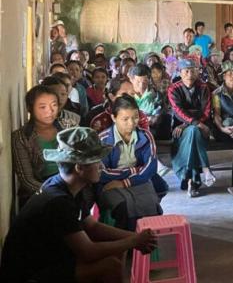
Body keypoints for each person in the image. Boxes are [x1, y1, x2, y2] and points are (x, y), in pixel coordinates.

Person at [0, 127, 157, 283]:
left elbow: (92, 226)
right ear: (79, 167)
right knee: (110, 266)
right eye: (96, 162)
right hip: (29, 275)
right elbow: (88, 252)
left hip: (48, 259)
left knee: (116, 250)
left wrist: (134, 237)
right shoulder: (58, 202)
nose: (101, 167)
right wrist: (134, 242)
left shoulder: (67, 185)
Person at [97, 95, 167, 230]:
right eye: (125, 119)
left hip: (137, 181)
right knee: (124, 207)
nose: (131, 123)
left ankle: (147, 240)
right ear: (114, 118)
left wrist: (125, 182)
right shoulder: (103, 139)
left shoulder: (145, 136)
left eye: (135, 117)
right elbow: (102, 172)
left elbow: (150, 168)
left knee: (151, 204)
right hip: (109, 184)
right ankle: (128, 241)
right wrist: (135, 170)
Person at [167, 58, 215, 197]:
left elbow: (206, 112)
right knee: (194, 131)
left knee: (194, 132)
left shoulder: (204, 87)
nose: (189, 74)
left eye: (193, 71)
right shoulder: (173, 89)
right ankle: (203, 171)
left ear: (197, 72)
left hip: (201, 127)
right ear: (180, 72)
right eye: (186, 71)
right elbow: (178, 111)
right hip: (181, 130)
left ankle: (189, 179)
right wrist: (195, 123)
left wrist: (187, 124)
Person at [11, 85, 63, 205]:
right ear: (30, 108)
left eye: (54, 105)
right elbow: (27, 180)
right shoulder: (21, 137)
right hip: (40, 190)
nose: (50, 111)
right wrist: (55, 193)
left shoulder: (67, 128)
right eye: (43, 107)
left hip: (71, 184)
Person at [129, 64, 170, 141]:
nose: (141, 86)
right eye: (138, 82)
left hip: (150, 128)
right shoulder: (127, 95)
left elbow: (157, 116)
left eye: (145, 82)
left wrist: (149, 120)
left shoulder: (156, 95)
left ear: (149, 80)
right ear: (131, 79)